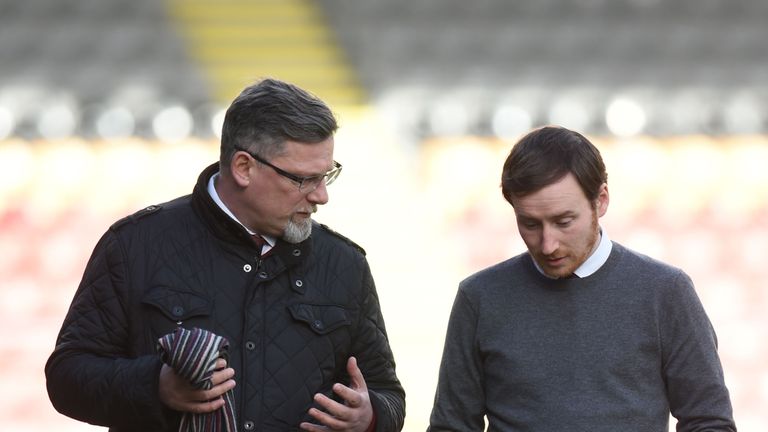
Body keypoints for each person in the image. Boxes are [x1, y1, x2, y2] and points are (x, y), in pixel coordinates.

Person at [46, 78, 405, 432]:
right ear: (244, 168)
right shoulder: (135, 245)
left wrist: (369, 418)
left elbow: (387, 393)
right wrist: (156, 386)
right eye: (303, 180)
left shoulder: (345, 264)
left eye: (327, 175)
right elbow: (67, 377)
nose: (321, 196)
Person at [428, 126, 736, 431]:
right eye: (530, 224)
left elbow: (709, 421)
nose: (548, 244)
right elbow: (451, 426)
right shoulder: (480, 297)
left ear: (601, 200)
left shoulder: (666, 292)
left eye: (564, 222)